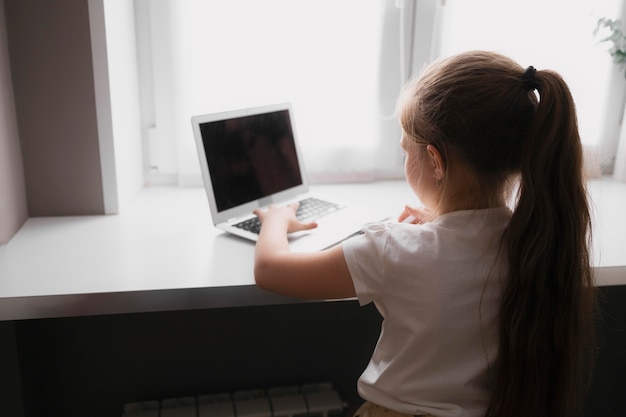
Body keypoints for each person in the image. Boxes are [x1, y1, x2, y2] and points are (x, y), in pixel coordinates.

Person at [253, 51, 596, 417]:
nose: (405, 159)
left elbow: (271, 270)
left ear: (435, 161)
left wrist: (276, 219)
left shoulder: (390, 249)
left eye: (406, 150)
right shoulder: (536, 241)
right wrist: (438, 225)